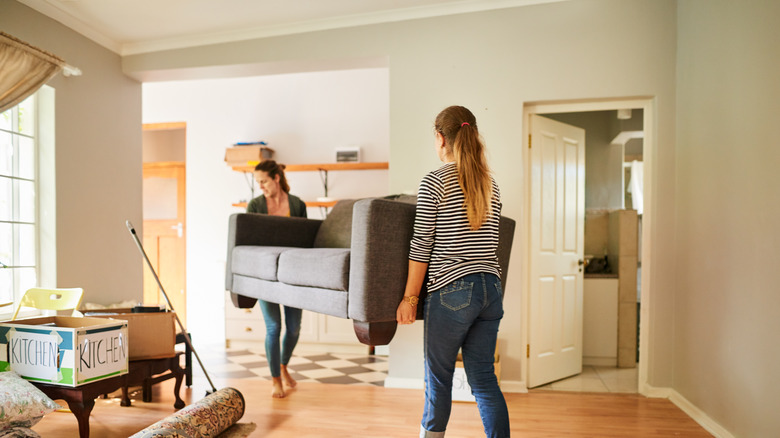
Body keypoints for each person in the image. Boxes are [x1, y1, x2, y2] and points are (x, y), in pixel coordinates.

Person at [396, 106, 510, 437]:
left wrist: (410, 298)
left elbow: (421, 246)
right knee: (484, 380)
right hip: (491, 290)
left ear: (440, 138)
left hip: (452, 291)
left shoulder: (435, 180)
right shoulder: (492, 184)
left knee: (438, 380)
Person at [247, 160, 306, 398]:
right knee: (274, 327)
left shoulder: (297, 204)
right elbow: (249, 240)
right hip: (265, 276)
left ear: (276, 178)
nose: (260, 186)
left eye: (263, 181)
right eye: (257, 182)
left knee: (293, 329)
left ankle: (282, 365)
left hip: (293, 274)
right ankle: (275, 379)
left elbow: (306, 239)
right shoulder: (255, 205)